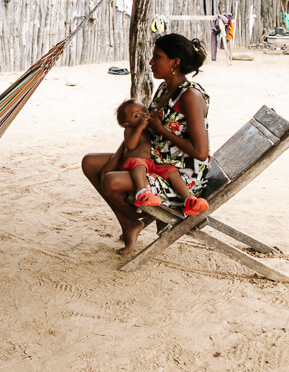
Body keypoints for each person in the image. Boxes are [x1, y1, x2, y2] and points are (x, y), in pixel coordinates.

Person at [82, 34, 211, 255]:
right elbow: (144, 132)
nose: (151, 62)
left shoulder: (190, 96)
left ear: (175, 62)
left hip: (180, 175)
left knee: (111, 181)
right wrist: (115, 158)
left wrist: (161, 130)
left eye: (157, 57)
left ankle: (132, 221)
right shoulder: (163, 90)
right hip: (154, 160)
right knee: (90, 163)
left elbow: (201, 153)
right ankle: (130, 222)